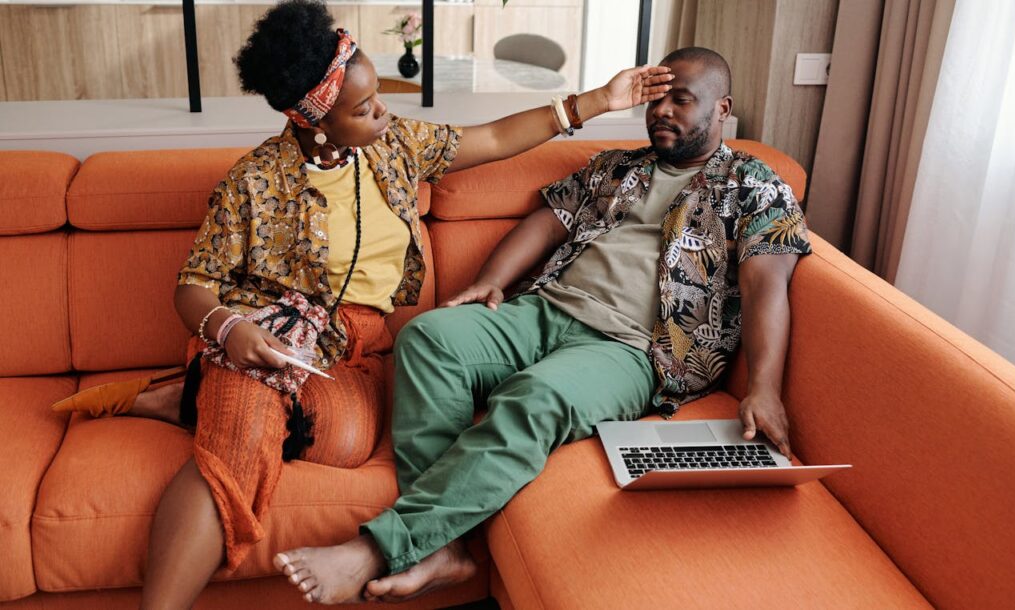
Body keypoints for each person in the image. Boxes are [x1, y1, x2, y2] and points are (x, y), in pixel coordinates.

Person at [49, 1, 671, 607]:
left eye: (378, 98)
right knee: (243, 435)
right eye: (363, 108)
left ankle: (184, 395)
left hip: (352, 348)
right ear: (314, 121)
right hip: (266, 333)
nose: (381, 113)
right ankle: (214, 409)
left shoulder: (394, 147)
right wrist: (230, 330)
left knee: (347, 440)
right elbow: (194, 285)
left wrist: (599, 101)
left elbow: (497, 135)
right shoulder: (254, 183)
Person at [272, 46, 812, 604]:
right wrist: (492, 281)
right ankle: (445, 548)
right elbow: (547, 223)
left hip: (629, 348)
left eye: (682, 100)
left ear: (722, 108)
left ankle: (381, 547)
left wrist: (764, 387)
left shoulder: (756, 186)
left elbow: (764, 285)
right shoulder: (616, 167)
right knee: (429, 338)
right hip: (547, 309)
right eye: (657, 99)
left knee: (535, 399)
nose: (663, 112)